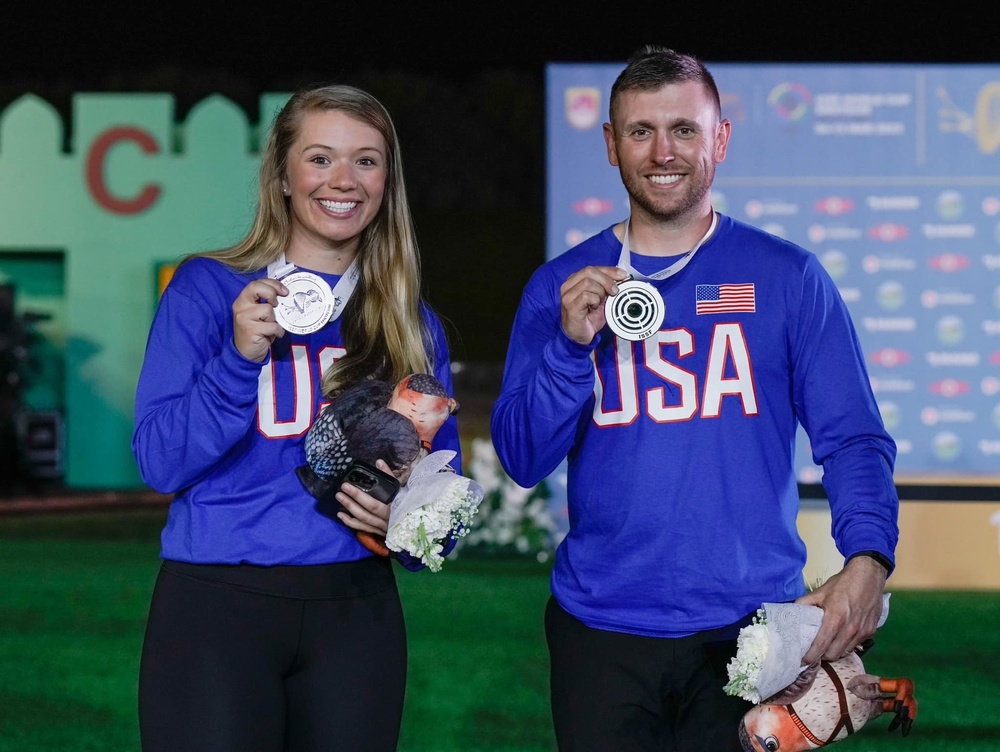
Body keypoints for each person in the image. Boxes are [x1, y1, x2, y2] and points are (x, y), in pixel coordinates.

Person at [490, 45, 899, 751]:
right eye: (640, 131)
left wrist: (868, 558)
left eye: (684, 128)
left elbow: (853, 436)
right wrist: (566, 348)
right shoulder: (559, 286)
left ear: (720, 138)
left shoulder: (787, 277)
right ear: (612, 145)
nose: (663, 151)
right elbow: (523, 458)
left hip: (754, 631)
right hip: (602, 632)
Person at [131, 84, 460, 752]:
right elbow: (158, 462)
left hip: (356, 612)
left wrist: (417, 525)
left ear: (386, 180)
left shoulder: (409, 323)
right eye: (320, 158)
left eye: (366, 161)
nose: (344, 180)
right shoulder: (208, 289)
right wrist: (237, 359)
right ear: (282, 174)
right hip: (217, 606)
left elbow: (439, 499)